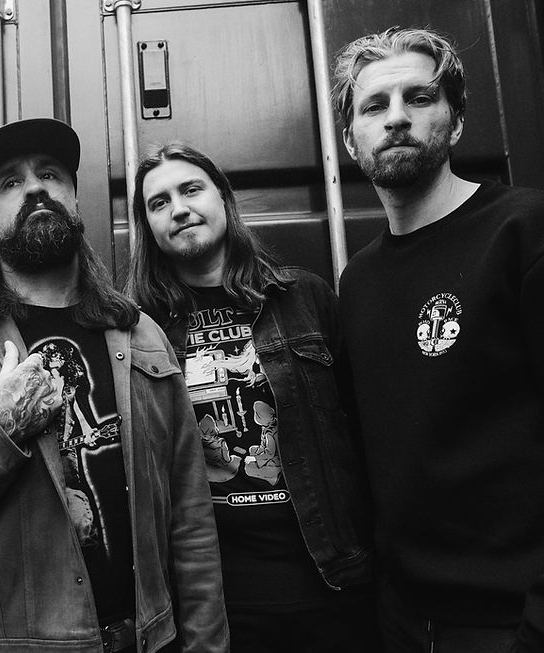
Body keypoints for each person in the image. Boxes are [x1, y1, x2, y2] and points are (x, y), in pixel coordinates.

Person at [0, 118, 229, 652]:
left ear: (76, 205)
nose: (36, 187)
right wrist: (1, 430)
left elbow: (192, 521)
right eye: (11, 182)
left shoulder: (142, 335)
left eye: (50, 174)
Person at [333, 27, 544, 652]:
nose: (396, 117)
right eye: (374, 105)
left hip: (509, 622)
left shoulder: (525, 231)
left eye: (419, 98)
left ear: (455, 121)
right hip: (403, 620)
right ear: (350, 139)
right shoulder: (358, 281)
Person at [126, 142, 377, 652]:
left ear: (223, 198)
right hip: (214, 602)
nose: (179, 209)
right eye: (159, 202)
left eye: (191, 189)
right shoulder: (138, 330)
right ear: (148, 226)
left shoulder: (304, 298)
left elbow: (366, 433)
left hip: (331, 583)